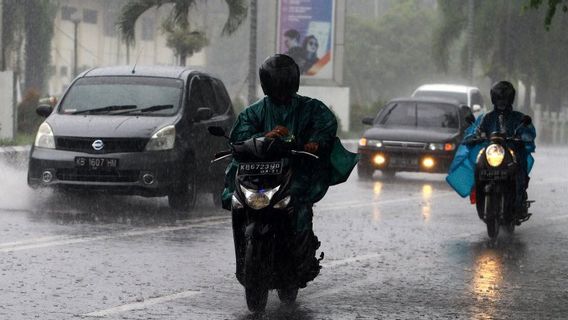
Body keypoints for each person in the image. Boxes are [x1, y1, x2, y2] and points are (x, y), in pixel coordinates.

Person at [222, 54, 358, 287]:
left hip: (295, 171)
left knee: (299, 208)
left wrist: (315, 141)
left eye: (284, 82)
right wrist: (264, 137)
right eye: (276, 82)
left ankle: (301, 259)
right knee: (235, 193)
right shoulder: (254, 112)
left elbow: (325, 125)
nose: (280, 87)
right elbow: (240, 136)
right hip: (258, 173)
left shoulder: (310, 108)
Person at [449, 81, 536, 217]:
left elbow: (529, 132)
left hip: (512, 151)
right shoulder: (487, 117)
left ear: (511, 98)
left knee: (520, 167)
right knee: (479, 164)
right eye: (499, 97)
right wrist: (474, 136)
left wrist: (523, 136)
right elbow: (477, 131)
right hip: (493, 151)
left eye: (505, 97)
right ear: (493, 98)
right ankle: (480, 195)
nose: (502, 101)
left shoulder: (518, 117)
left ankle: (518, 201)